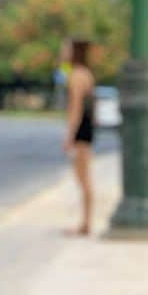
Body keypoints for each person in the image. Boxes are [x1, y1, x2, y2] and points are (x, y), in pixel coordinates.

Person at [62, 38, 96, 236]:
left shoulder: (75, 75)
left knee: (83, 177)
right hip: (87, 128)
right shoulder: (87, 74)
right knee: (84, 176)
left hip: (81, 130)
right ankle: (85, 221)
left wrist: (69, 135)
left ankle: (86, 222)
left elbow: (75, 107)